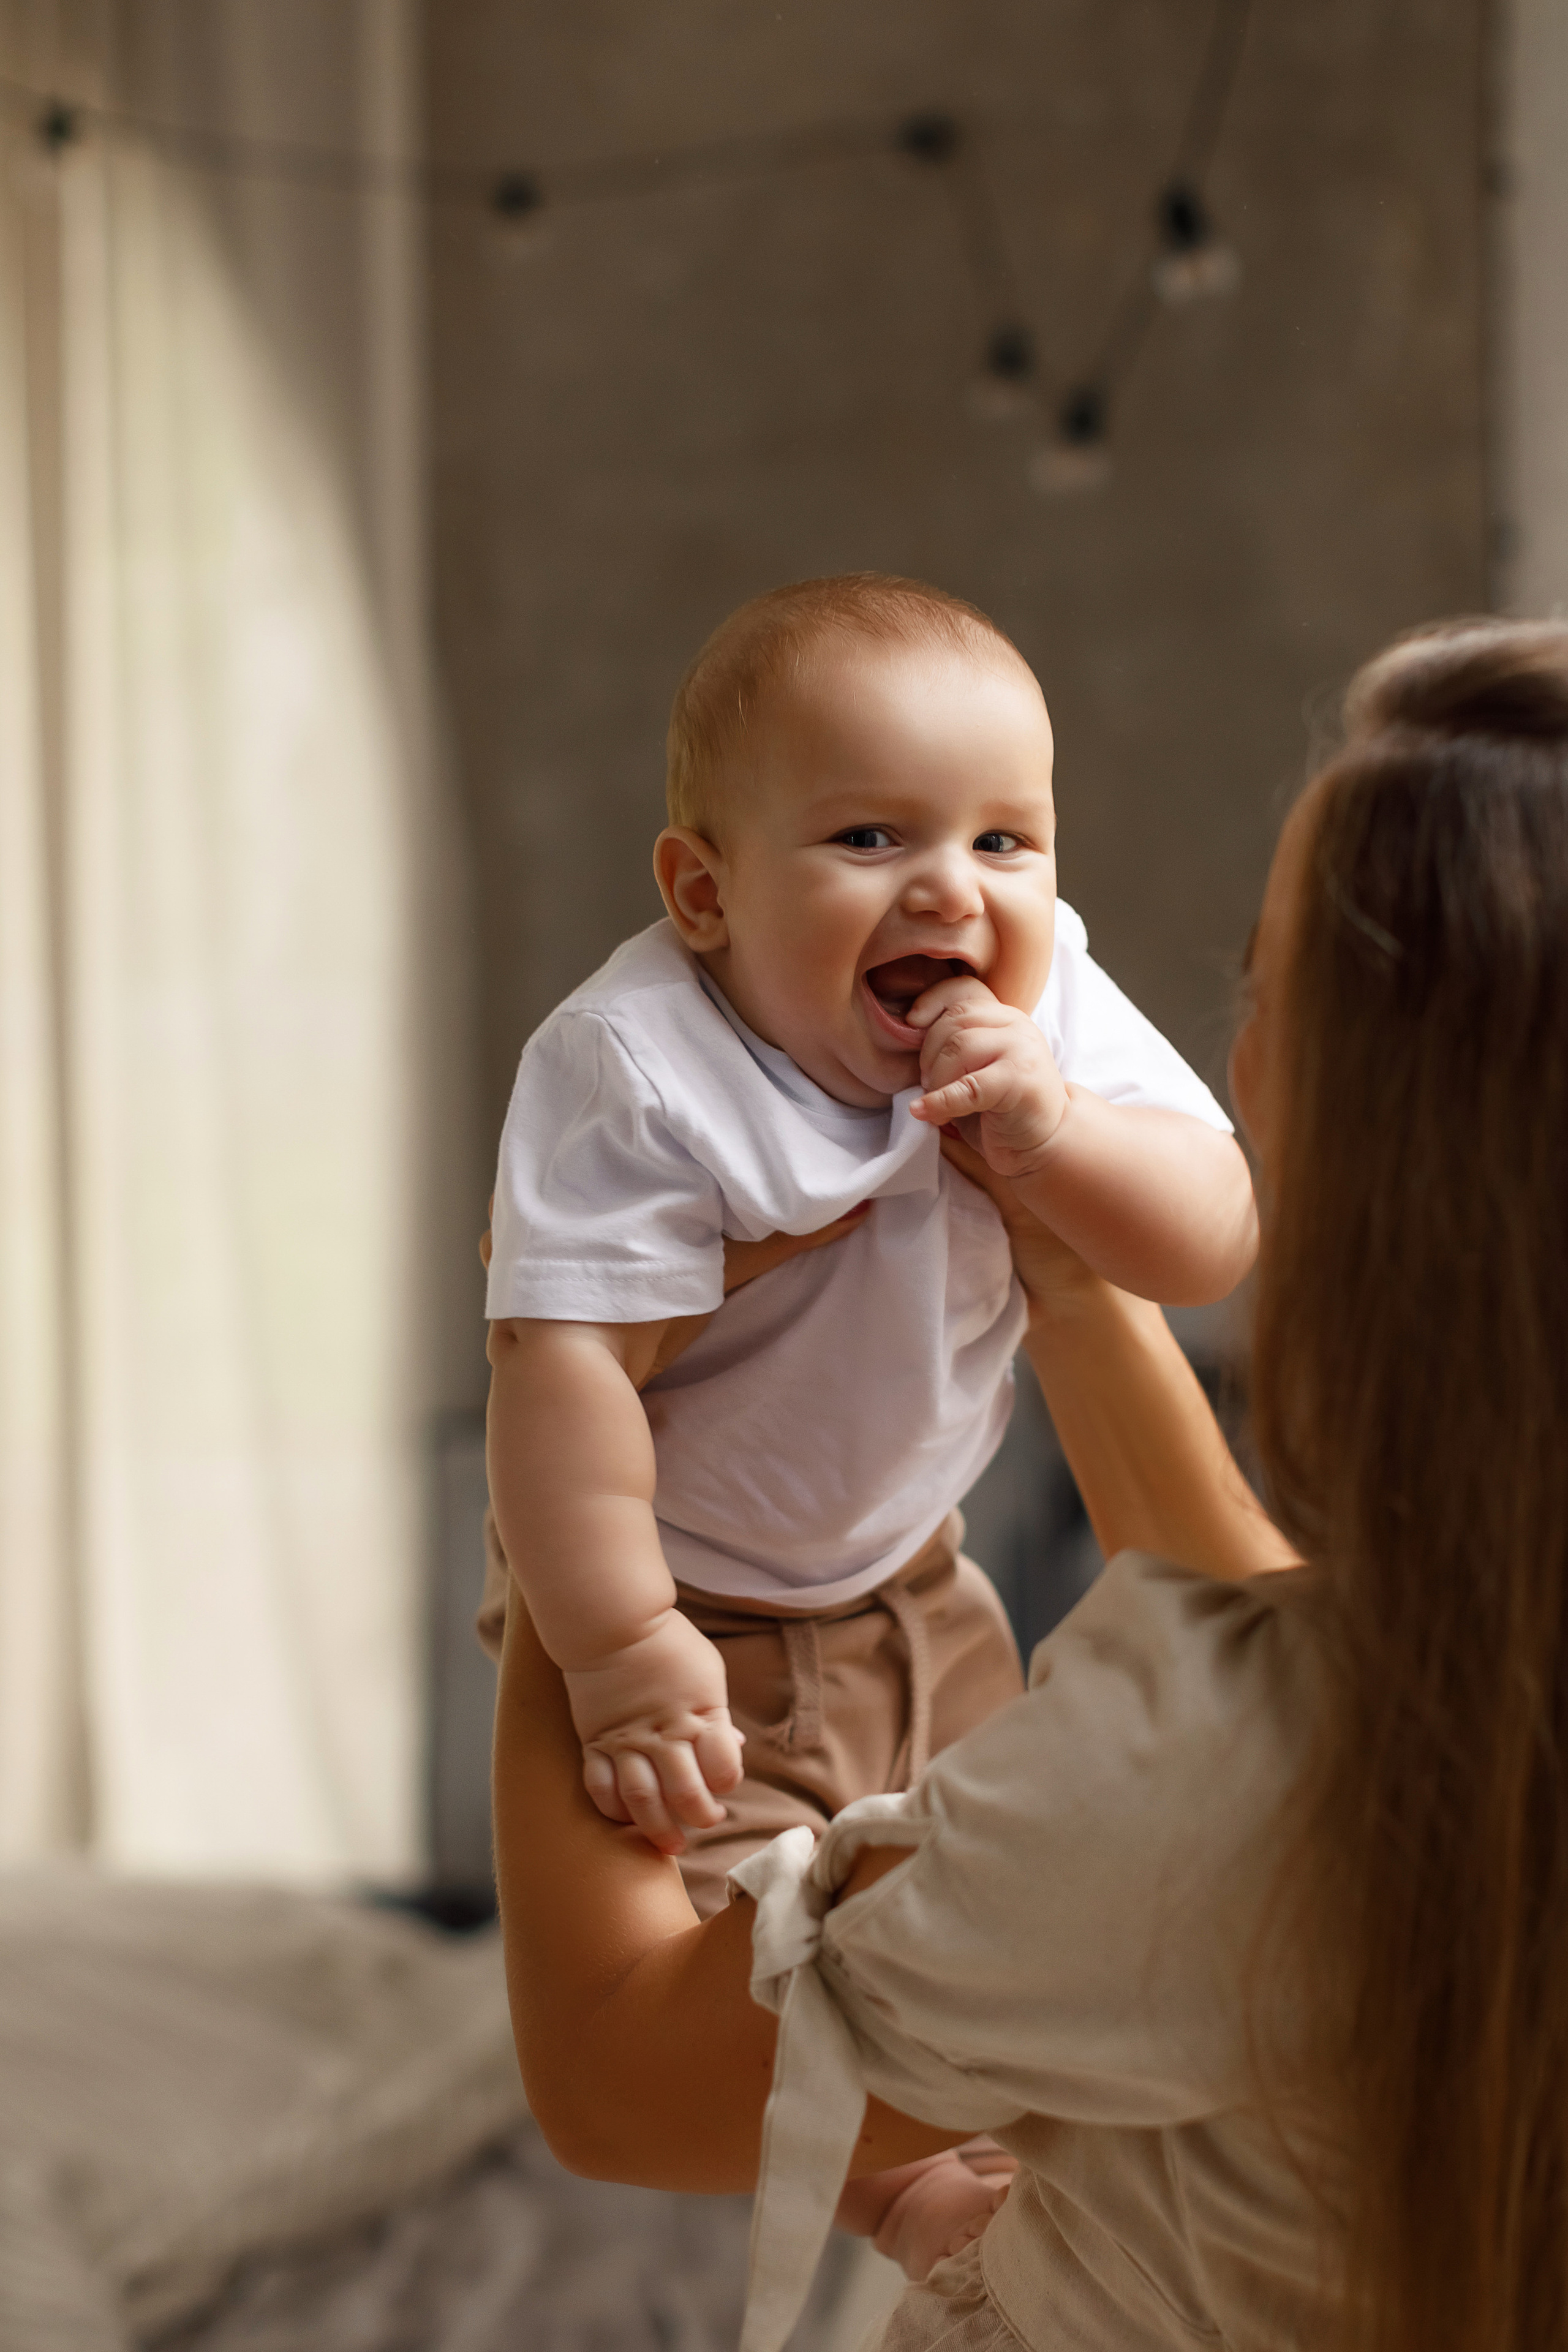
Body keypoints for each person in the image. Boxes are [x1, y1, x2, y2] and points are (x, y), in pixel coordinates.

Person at [490, 618, 1568, 2352]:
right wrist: (1064, 1274)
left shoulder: (1237, 1796)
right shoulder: (1424, 1686)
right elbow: (1262, 1653)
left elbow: (627, 2078)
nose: (968, 902)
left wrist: (585, 1534)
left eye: (1257, 986)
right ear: (703, 891)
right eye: (872, 840)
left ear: (1390, 1140)